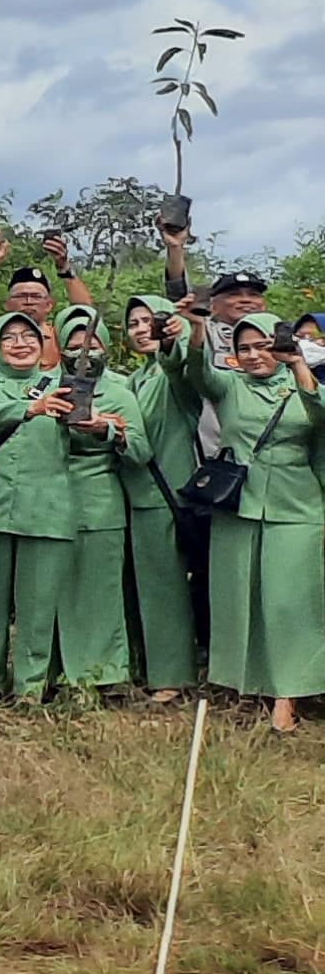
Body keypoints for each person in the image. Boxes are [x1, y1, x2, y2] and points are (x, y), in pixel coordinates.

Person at [173, 312, 316, 732]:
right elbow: (197, 371)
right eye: (244, 349)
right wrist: (197, 329)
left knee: (290, 603)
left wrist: (298, 364)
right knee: (240, 599)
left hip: (297, 505)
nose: (255, 356)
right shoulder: (229, 386)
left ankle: (287, 694)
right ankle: (246, 687)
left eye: (263, 345)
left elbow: (320, 415)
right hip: (238, 504)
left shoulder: (301, 381)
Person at [0, 310, 82, 703]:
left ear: (44, 345)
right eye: (9, 337)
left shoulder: (65, 384)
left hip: (48, 507)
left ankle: (30, 685)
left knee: (38, 604)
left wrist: (98, 423)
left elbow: (85, 427)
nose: (20, 344)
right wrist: (32, 409)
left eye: (29, 336)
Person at [109, 297, 201, 697]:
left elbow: (181, 365)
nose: (142, 329)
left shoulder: (170, 374)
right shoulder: (134, 379)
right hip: (132, 495)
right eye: (134, 323)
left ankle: (171, 677)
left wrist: (174, 341)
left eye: (151, 321)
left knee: (165, 588)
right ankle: (142, 668)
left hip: (166, 497)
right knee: (139, 588)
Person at [51, 306, 138, 692]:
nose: (85, 352)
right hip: (51, 499)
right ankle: (53, 673)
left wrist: (109, 431)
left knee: (101, 592)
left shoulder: (120, 392)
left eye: (94, 343)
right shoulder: (46, 387)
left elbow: (141, 450)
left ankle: (106, 674)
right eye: (73, 344)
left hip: (101, 499)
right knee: (52, 591)